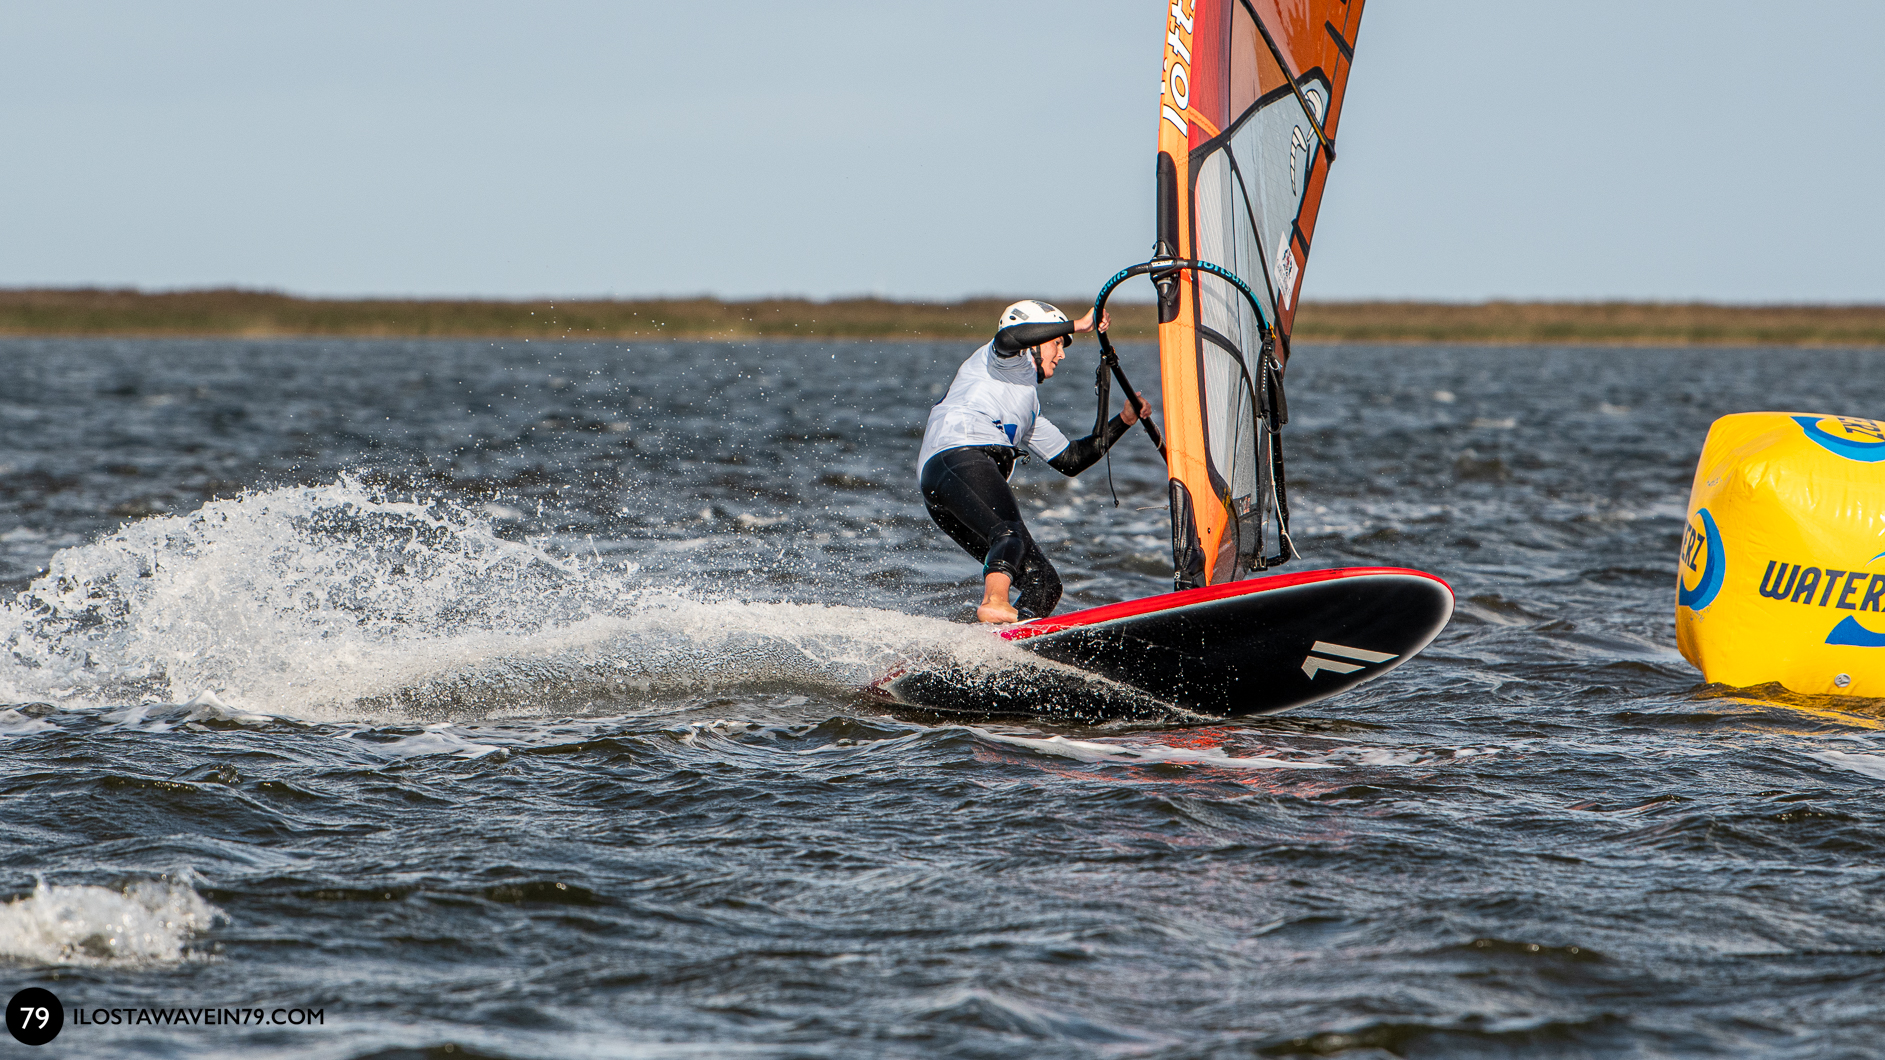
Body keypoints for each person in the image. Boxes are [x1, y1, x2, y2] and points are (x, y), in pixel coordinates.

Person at [918, 299, 1152, 624]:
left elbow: (1071, 459)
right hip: (956, 459)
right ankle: (995, 602)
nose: (1062, 354)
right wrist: (1078, 325)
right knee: (1008, 533)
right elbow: (1008, 337)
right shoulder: (1002, 359)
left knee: (1045, 583)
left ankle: (1008, 639)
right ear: (1034, 341)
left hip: (948, 488)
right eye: (1058, 343)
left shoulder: (1027, 406)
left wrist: (1124, 420)